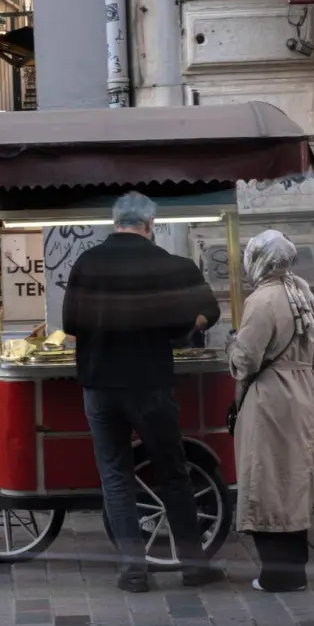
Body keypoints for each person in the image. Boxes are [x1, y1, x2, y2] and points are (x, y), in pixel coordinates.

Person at [62, 192, 224, 592]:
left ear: (114, 222)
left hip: (100, 384)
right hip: (151, 382)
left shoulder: (86, 263)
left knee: (115, 476)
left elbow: (71, 325)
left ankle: (134, 571)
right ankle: (193, 566)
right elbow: (208, 311)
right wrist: (188, 327)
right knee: (173, 472)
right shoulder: (171, 264)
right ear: (151, 224)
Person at [228, 230, 314, 593]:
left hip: (272, 396)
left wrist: (231, 348)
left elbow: (246, 358)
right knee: (295, 479)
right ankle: (295, 569)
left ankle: (277, 574)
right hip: (304, 388)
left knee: (267, 479)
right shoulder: (301, 291)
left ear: (258, 261)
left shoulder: (262, 300)